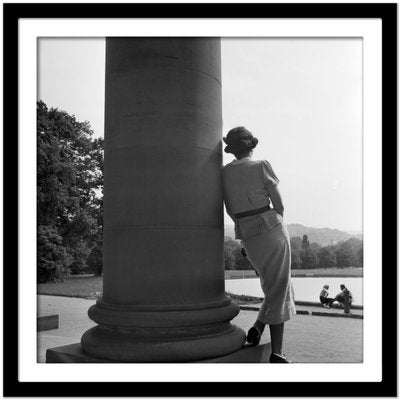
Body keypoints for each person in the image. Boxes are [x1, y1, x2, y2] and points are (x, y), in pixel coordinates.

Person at [222, 126, 296, 363]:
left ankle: (259, 326)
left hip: (248, 234)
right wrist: (275, 223)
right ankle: (277, 353)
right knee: (279, 286)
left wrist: (245, 230)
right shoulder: (261, 165)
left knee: (273, 285)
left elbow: (230, 210)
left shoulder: (223, 173)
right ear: (251, 145)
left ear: (232, 149)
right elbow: (280, 205)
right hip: (271, 229)